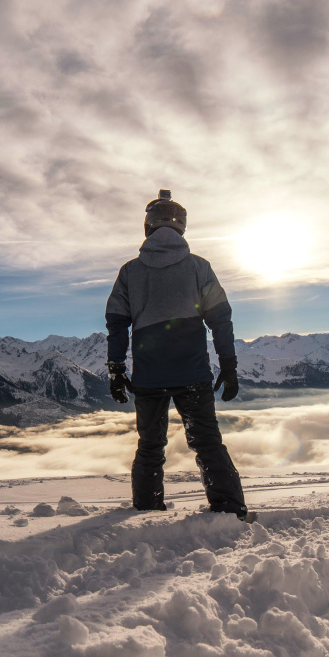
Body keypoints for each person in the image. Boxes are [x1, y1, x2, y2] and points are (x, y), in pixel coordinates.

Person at [105, 190, 252, 520]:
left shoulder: (130, 272)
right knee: (207, 444)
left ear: (148, 226)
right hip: (193, 375)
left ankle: (147, 512)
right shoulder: (199, 267)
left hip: (148, 377)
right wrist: (228, 365)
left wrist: (116, 369)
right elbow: (220, 319)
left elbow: (116, 323)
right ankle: (229, 512)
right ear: (182, 227)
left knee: (150, 447)